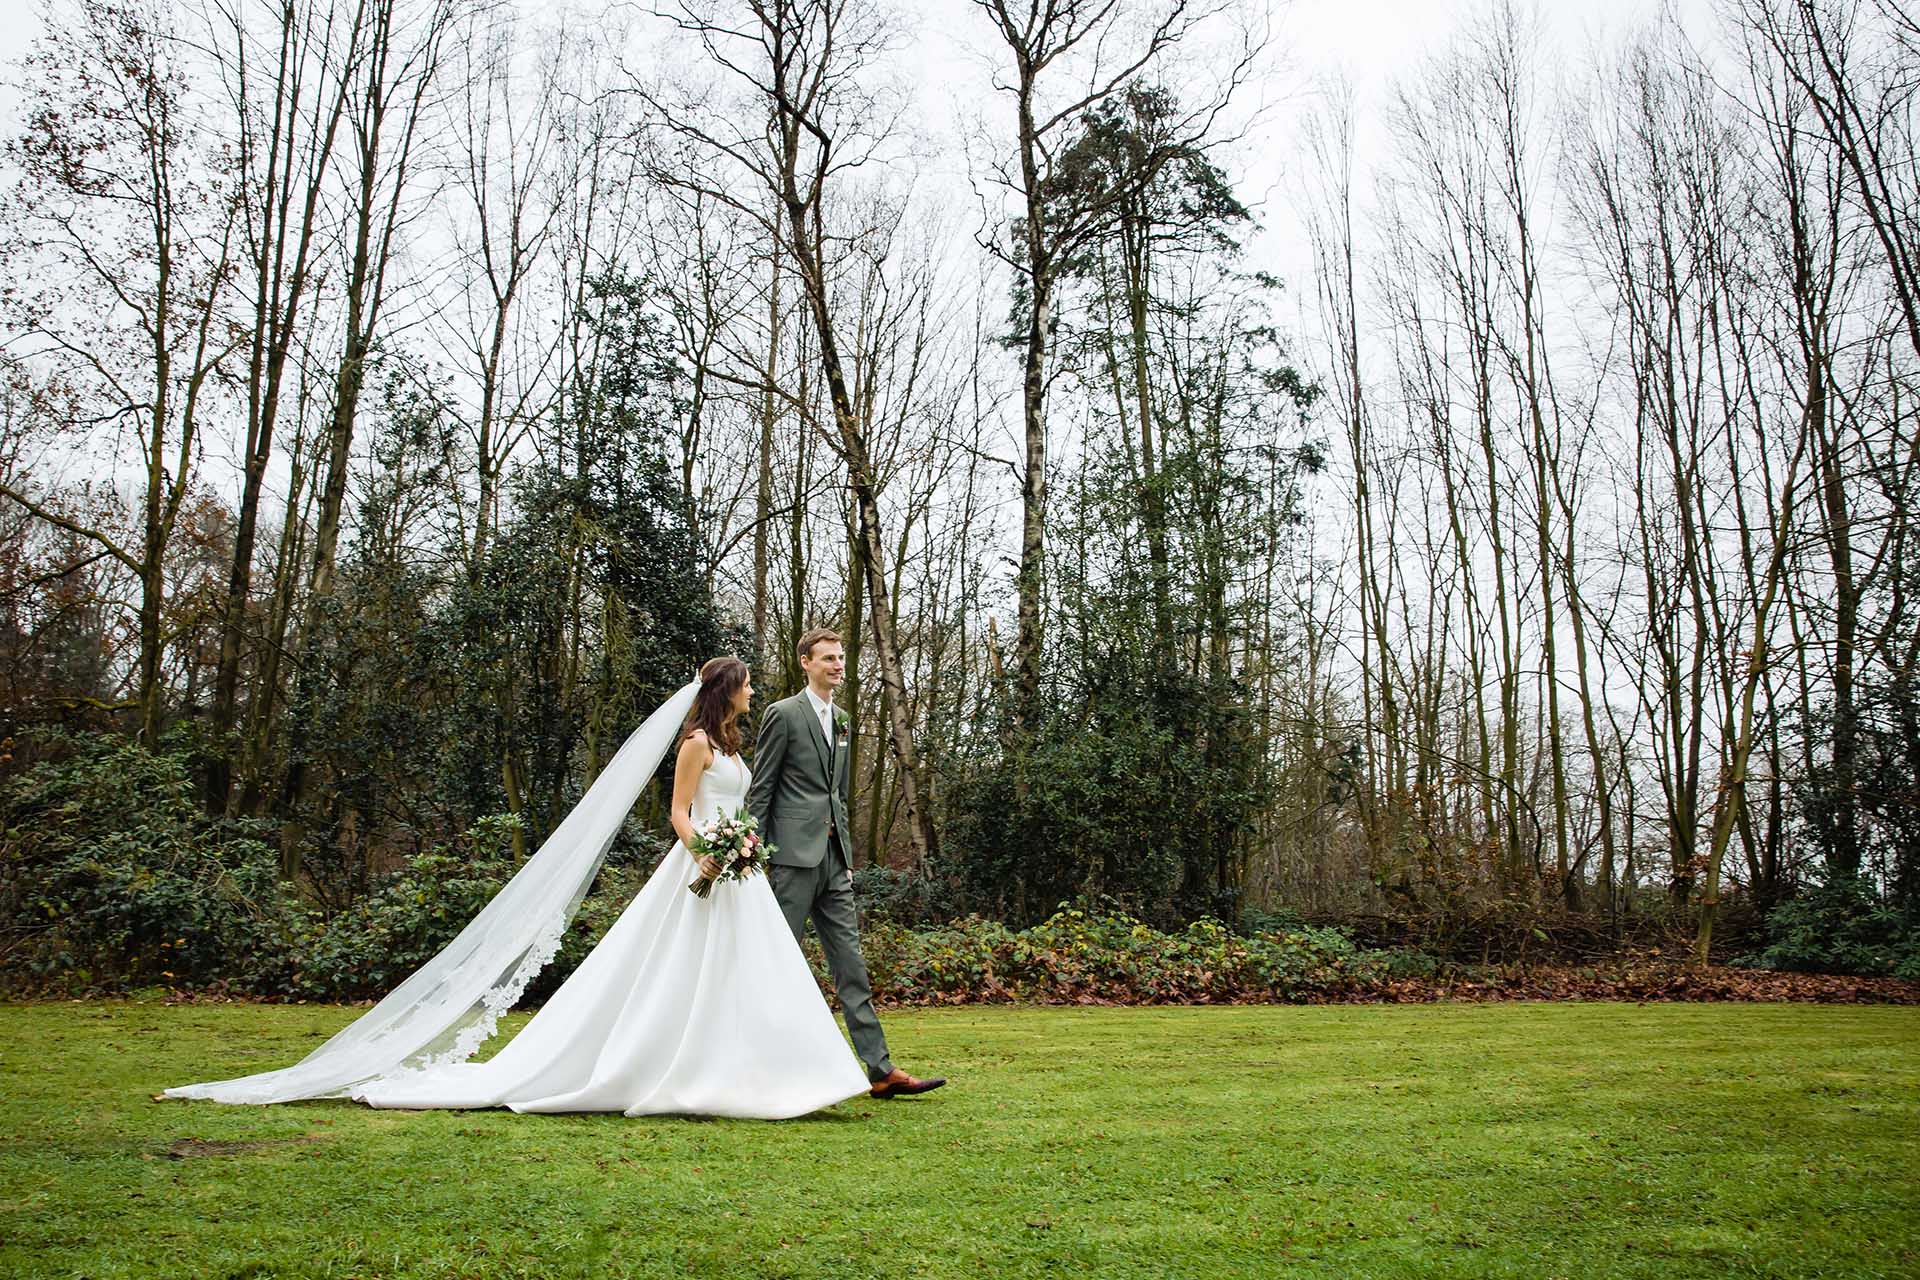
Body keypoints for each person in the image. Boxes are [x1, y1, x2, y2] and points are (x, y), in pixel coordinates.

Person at [163, 657, 873, 1119]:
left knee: (748, 971)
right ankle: (677, 1066)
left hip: (734, 872)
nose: (754, 691)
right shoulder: (693, 745)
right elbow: (679, 815)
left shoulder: (733, 746)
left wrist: (739, 845)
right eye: (746, 684)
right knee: (673, 972)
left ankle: (767, 1067)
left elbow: (739, 804)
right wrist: (705, 855)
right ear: (729, 690)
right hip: (700, 870)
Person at [745, 628, 945, 1099]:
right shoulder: (783, 714)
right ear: (805, 663)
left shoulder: (843, 720)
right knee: (777, 964)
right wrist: (752, 849)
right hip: (792, 859)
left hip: (835, 862)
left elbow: (836, 795)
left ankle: (880, 1069)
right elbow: (763, 787)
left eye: (841, 658)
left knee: (851, 966)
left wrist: (848, 857)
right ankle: (756, 1066)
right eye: (829, 658)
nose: (839, 665)